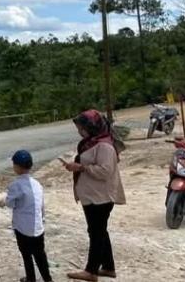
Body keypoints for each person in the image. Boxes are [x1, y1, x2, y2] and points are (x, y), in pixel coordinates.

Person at [62, 110, 126, 281]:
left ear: (90, 126)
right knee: (99, 231)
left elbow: (105, 171)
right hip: (93, 195)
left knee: (96, 233)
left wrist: (81, 168)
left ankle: (91, 271)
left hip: (101, 197)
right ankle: (108, 267)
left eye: (81, 127)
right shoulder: (91, 143)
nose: (79, 131)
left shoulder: (104, 146)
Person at [7, 149, 53, 282]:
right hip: (38, 227)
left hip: (22, 227)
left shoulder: (15, 185)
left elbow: (10, 203)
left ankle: (31, 278)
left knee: (26, 255)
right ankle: (48, 279)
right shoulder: (37, 184)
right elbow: (42, 205)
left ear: (16, 167)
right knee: (40, 255)